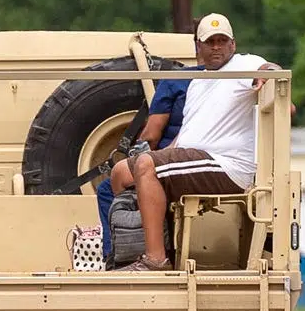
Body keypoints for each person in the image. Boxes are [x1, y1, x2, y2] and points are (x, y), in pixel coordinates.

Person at [108, 13, 282, 272]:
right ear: (198, 47)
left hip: (226, 165)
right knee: (122, 171)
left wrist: (270, 75)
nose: (216, 47)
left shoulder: (244, 65)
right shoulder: (197, 83)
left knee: (146, 166)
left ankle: (156, 260)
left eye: (222, 41)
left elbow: (270, 69)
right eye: (210, 42)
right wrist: (162, 153)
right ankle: (137, 251)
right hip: (194, 159)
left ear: (232, 44)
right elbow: (186, 134)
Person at [96, 63, 201, 262]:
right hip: (212, 162)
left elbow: (151, 136)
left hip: (168, 161)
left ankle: (116, 257)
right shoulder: (228, 79)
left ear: (199, 46)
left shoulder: (175, 80)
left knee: (107, 189)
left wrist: (138, 150)